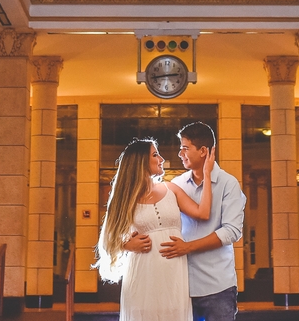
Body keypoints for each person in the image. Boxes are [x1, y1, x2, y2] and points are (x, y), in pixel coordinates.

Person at [126, 122, 246, 321]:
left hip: (216, 287)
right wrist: (127, 243)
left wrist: (188, 247)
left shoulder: (229, 184)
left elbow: (231, 231)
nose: (179, 154)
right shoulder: (176, 184)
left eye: (185, 148)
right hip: (179, 284)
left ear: (203, 151)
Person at [98, 138, 216, 321]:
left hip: (174, 272)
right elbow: (107, 239)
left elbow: (203, 212)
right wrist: (127, 245)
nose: (161, 159)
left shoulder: (171, 189)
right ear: (140, 161)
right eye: (155, 155)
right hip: (142, 273)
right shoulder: (125, 198)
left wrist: (207, 174)